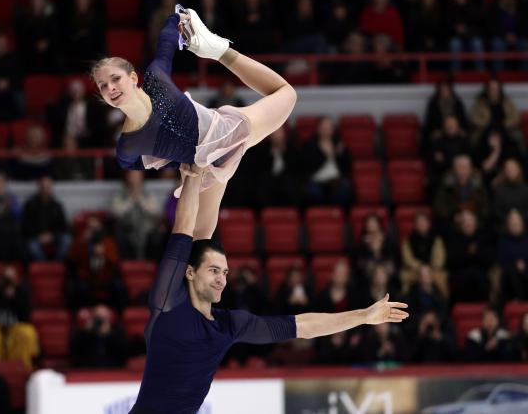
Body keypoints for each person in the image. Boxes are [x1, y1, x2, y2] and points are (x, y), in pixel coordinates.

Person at [127, 164, 408, 414]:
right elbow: (184, 228)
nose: (222, 279)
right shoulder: (167, 304)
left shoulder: (228, 325)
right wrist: (191, 176)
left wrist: (362, 316)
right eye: (214, 271)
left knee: (203, 238)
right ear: (189, 273)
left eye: (224, 272)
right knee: (200, 239)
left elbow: (303, 326)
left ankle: (222, 161)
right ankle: (218, 161)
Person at [91, 5, 297, 240]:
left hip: (225, 132)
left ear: (133, 78)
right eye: (102, 86)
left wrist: (178, 17)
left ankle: (220, 52)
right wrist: (185, 162)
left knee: (287, 94)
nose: (110, 88)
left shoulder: (156, 80)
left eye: (115, 79)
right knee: (200, 240)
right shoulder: (128, 147)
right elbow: (150, 163)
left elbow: (166, 42)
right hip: (205, 166)